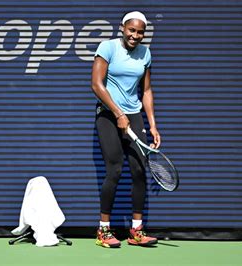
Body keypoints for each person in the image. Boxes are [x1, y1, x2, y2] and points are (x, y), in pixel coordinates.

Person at [91, 11, 161, 248]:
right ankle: (103, 231)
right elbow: (97, 84)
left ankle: (136, 231)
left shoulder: (145, 53)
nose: (136, 35)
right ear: (122, 28)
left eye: (140, 32)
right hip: (108, 115)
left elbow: (147, 91)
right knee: (115, 170)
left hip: (133, 114)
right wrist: (118, 114)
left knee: (139, 170)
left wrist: (152, 125)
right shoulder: (107, 47)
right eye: (132, 30)